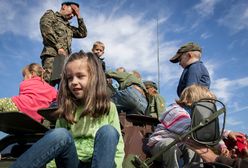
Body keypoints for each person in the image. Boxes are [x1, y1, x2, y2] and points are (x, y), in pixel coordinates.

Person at [10, 52, 124, 168]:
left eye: (80, 76)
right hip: (71, 163)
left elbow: (118, 146)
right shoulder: (67, 109)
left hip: (98, 163)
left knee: (109, 132)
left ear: (94, 78)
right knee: (60, 134)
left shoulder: (109, 107)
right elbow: (58, 144)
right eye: (70, 78)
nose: (73, 82)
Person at [147, 84, 216, 168]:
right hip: (159, 145)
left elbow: (208, 130)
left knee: (195, 148)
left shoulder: (194, 115)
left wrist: (221, 143)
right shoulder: (176, 112)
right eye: (206, 105)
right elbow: (192, 129)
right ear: (192, 100)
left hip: (179, 144)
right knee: (169, 144)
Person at [40, 1, 87, 85]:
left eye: (74, 14)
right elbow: (46, 31)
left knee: (64, 87)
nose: (73, 15)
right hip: (53, 55)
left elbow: (82, 33)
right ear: (64, 6)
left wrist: (79, 16)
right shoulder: (51, 15)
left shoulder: (68, 27)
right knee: (47, 84)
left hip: (65, 59)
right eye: (72, 11)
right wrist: (58, 47)